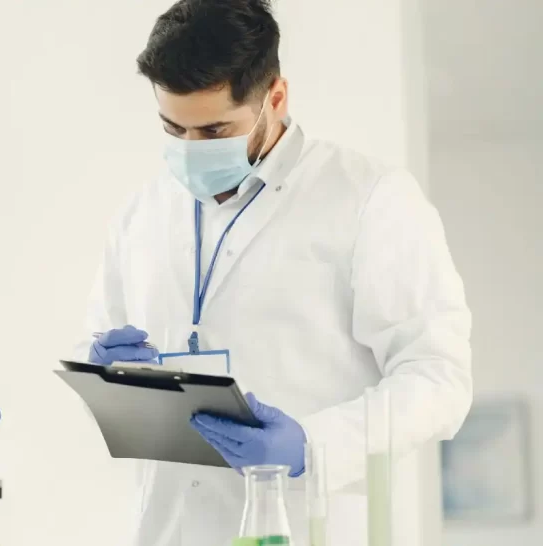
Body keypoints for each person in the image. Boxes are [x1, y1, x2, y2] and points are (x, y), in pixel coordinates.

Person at [82, 1, 472, 544]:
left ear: (276, 98)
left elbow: (439, 379)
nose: (191, 151)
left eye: (215, 129)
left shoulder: (371, 200)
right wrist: (108, 373)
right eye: (173, 128)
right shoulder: (140, 214)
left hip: (310, 527)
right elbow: (103, 348)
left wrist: (313, 447)